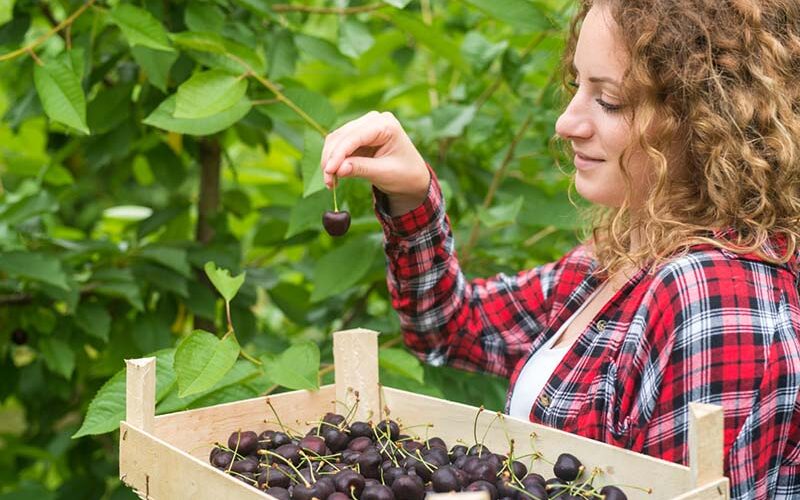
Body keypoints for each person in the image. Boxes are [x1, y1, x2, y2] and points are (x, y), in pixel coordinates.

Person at [319, 0, 800, 497]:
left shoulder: (711, 292)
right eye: (577, 86)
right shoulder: (616, 255)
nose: (566, 123)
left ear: (701, 117)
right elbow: (451, 327)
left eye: (609, 100)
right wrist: (411, 196)